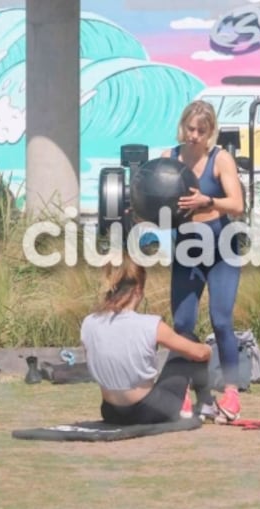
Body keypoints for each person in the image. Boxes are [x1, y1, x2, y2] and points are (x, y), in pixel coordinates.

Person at [162, 99, 245, 422]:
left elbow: (237, 204)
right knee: (182, 325)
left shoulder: (220, 159)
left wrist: (207, 200)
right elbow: (154, 198)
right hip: (187, 250)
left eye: (201, 130)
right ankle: (189, 392)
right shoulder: (168, 159)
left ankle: (232, 393)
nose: (193, 135)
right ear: (182, 126)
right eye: (189, 128)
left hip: (222, 250)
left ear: (211, 132)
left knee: (221, 321)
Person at [81, 256, 212, 425]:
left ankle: (204, 404)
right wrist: (209, 350)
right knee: (189, 338)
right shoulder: (151, 324)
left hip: (110, 412)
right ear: (137, 290)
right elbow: (199, 353)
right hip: (150, 411)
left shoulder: (89, 322)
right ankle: (206, 403)